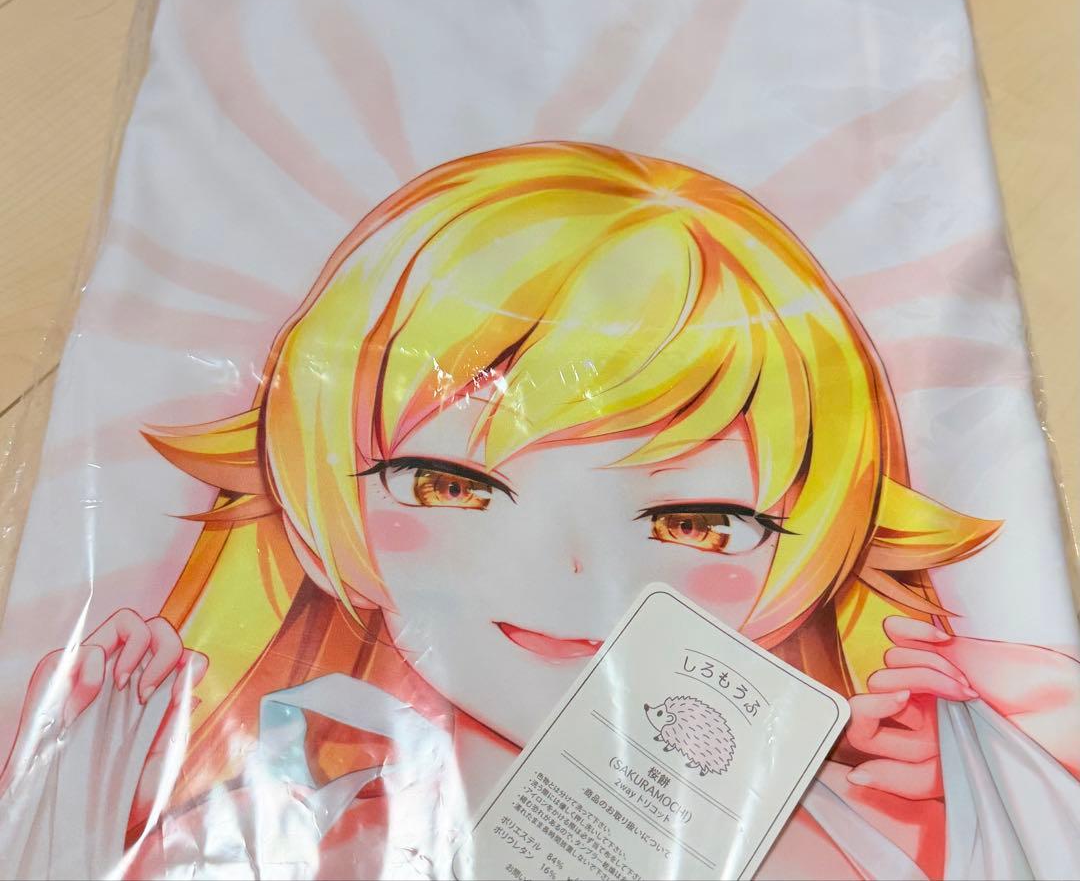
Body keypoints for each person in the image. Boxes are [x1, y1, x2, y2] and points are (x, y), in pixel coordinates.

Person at [3, 143, 1078, 879]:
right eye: (453, 485)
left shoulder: (883, 811)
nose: (573, 577)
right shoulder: (297, 807)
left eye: (695, 521)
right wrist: (73, 819)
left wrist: (1008, 784)